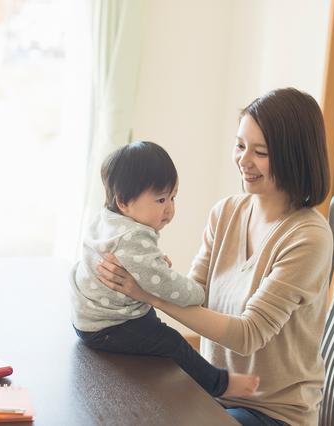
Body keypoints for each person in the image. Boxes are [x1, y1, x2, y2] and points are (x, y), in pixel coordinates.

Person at [97, 88, 333, 426]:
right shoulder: (226, 213)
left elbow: (247, 336)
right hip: (213, 395)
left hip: (272, 413)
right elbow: (197, 292)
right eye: (240, 146)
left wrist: (148, 294)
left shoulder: (308, 237)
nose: (243, 161)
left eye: (260, 152)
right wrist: (155, 276)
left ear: (294, 156)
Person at [69, 141, 260, 399]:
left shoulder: (108, 219)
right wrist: (198, 294)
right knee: (172, 342)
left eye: (173, 197)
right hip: (109, 327)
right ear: (124, 201)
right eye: (160, 199)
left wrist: (152, 266)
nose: (170, 209)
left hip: (89, 319)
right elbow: (166, 286)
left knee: (152, 327)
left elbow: (143, 270)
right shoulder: (134, 236)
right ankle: (219, 383)